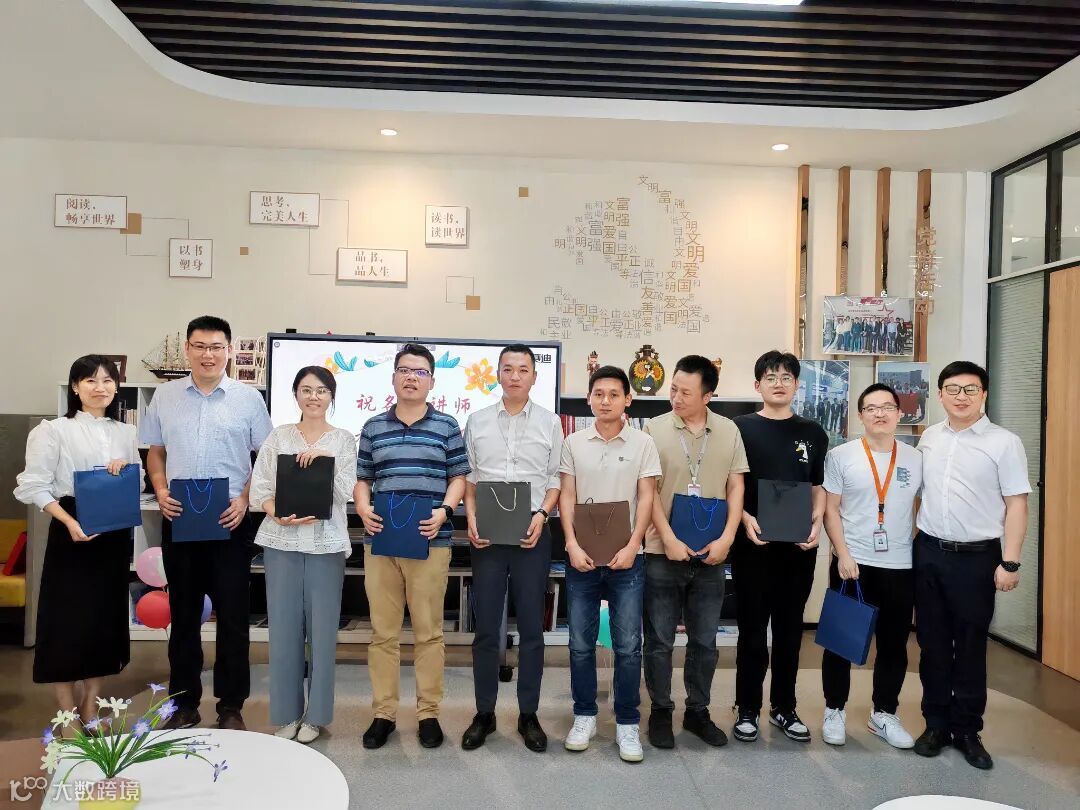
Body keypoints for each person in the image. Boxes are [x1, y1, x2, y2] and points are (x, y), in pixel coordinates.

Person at [141, 315, 273, 730]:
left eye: (216, 347)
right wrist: (160, 489)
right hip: (180, 518)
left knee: (233, 617)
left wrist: (245, 499)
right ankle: (184, 704)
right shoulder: (164, 396)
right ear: (187, 350)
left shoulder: (249, 399)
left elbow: (265, 458)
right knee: (183, 616)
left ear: (229, 351)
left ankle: (231, 706)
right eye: (199, 346)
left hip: (230, 520)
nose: (208, 354)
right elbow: (155, 451)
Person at [912, 361, 1030, 770]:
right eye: (952, 389)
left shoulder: (1004, 442)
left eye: (970, 389)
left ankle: (966, 730)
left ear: (984, 394)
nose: (960, 397)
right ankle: (935, 724)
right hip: (929, 552)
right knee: (931, 644)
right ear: (940, 394)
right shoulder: (930, 437)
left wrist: (1010, 561)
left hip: (978, 558)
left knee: (970, 646)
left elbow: (1017, 504)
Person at [355, 343, 470, 750]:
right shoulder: (373, 427)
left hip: (430, 540)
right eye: (404, 370)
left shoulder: (447, 426)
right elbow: (363, 479)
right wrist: (362, 507)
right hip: (382, 541)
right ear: (393, 378)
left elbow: (459, 477)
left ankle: (428, 714)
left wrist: (445, 511)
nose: (411, 377)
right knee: (383, 633)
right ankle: (383, 714)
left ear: (431, 381)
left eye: (420, 372)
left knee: (429, 633)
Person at [14, 356, 140, 721]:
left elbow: (138, 484)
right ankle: (67, 711)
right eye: (90, 381)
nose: (100, 388)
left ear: (117, 387)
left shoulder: (126, 433)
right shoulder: (53, 430)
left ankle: (91, 702)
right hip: (71, 528)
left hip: (112, 534)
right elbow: (33, 485)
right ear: (75, 387)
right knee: (66, 620)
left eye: (107, 381)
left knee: (103, 619)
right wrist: (70, 522)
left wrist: (125, 471)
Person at [642, 355, 747, 750]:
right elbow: (648, 490)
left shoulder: (729, 430)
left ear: (707, 396)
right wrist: (667, 537)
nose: (676, 397)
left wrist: (727, 539)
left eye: (686, 392)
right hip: (662, 551)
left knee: (705, 642)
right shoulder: (653, 429)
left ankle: (698, 711)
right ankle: (660, 710)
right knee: (659, 641)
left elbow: (736, 486)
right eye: (673, 389)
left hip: (711, 552)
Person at [461, 344, 562, 753]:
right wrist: (470, 517)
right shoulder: (478, 421)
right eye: (507, 369)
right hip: (487, 536)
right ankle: (484, 713)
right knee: (487, 628)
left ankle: (528, 714)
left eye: (523, 369)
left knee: (532, 629)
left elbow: (555, 480)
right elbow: (469, 479)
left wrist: (543, 515)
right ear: (497, 374)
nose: (515, 375)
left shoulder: (551, 422)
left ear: (534, 376)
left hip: (531, 534)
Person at [249, 366, 357, 745]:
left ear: (331, 396)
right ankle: (286, 713)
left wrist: (324, 459)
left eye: (322, 390)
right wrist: (274, 510)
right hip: (281, 542)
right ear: (295, 394)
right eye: (306, 390)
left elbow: (345, 490)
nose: (314, 397)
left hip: (326, 544)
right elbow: (260, 488)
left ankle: (316, 716)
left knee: (323, 632)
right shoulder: (278, 437)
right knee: (283, 630)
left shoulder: (344, 440)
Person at [559, 365, 661, 763]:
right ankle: (584, 715)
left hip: (627, 558)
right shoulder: (573, 442)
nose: (606, 401)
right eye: (599, 394)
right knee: (580, 644)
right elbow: (567, 495)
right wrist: (570, 543)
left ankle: (627, 722)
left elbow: (647, 497)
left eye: (614, 394)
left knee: (629, 646)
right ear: (589, 399)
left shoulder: (642, 443)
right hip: (582, 557)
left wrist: (635, 544)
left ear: (627, 400)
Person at [731, 350, 827, 744]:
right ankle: (747, 707)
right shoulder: (738, 428)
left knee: (790, 630)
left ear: (796, 385)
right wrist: (743, 518)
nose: (778, 383)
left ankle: (784, 707)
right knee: (752, 630)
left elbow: (818, 486)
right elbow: (730, 484)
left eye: (786, 377)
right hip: (752, 543)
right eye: (770, 377)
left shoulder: (813, 432)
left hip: (798, 548)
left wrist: (817, 521)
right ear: (758, 385)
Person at [820, 383, 922, 749]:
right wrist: (843, 553)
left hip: (900, 565)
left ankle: (884, 714)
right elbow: (831, 509)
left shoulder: (915, 458)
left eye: (887, 407)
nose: (880, 413)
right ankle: (834, 710)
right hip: (853, 564)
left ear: (899, 413)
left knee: (894, 645)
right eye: (872, 408)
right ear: (861, 415)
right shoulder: (841, 456)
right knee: (841, 641)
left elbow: (922, 508)